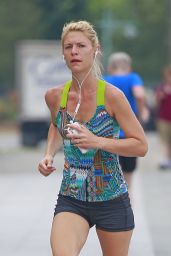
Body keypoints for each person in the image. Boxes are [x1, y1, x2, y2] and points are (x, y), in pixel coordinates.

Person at [38, 21, 148, 256]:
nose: (74, 52)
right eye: (68, 47)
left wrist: (97, 141)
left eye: (81, 45)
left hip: (112, 198)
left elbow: (141, 145)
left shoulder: (112, 96)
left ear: (95, 49)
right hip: (72, 197)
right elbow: (56, 126)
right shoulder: (55, 96)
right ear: (63, 53)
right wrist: (48, 154)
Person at [104, 52, 149, 190]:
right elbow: (139, 95)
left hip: (109, 135)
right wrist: (140, 115)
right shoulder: (133, 78)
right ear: (129, 67)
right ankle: (127, 199)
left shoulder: (104, 80)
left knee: (109, 172)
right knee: (128, 174)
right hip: (130, 135)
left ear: (110, 67)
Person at [155, 65, 171, 170]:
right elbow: (156, 104)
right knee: (164, 140)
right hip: (163, 118)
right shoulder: (161, 88)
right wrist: (159, 97)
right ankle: (165, 159)